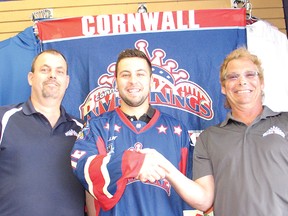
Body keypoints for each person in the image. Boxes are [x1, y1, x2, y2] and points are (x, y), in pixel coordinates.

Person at [156, 47, 288, 215]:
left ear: (261, 83)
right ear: (224, 88)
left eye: (250, 74)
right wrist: (165, 169)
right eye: (233, 76)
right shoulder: (208, 138)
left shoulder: (285, 122)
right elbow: (204, 201)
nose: (242, 81)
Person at [71, 48, 193, 216]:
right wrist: (133, 162)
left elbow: (194, 195)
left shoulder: (177, 131)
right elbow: (81, 167)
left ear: (152, 81)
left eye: (140, 74)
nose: (133, 81)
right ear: (116, 81)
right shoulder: (96, 127)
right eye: (125, 74)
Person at [0, 49, 87, 215]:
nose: (52, 75)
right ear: (31, 78)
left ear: (67, 81)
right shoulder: (3, 119)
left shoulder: (83, 130)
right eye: (45, 70)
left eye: (59, 71)